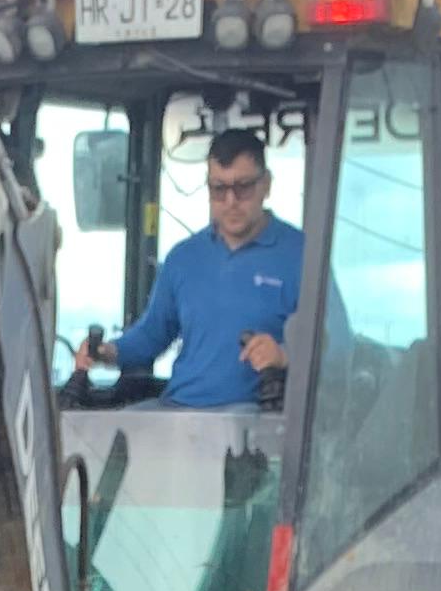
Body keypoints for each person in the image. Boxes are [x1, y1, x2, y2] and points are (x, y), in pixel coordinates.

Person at [72, 128, 306, 409]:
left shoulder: (301, 254)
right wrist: (107, 352)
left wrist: (284, 355)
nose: (230, 201)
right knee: (108, 435)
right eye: (219, 189)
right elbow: (151, 334)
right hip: (179, 409)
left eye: (242, 187)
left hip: (254, 416)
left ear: (266, 185)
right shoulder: (184, 258)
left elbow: (338, 347)